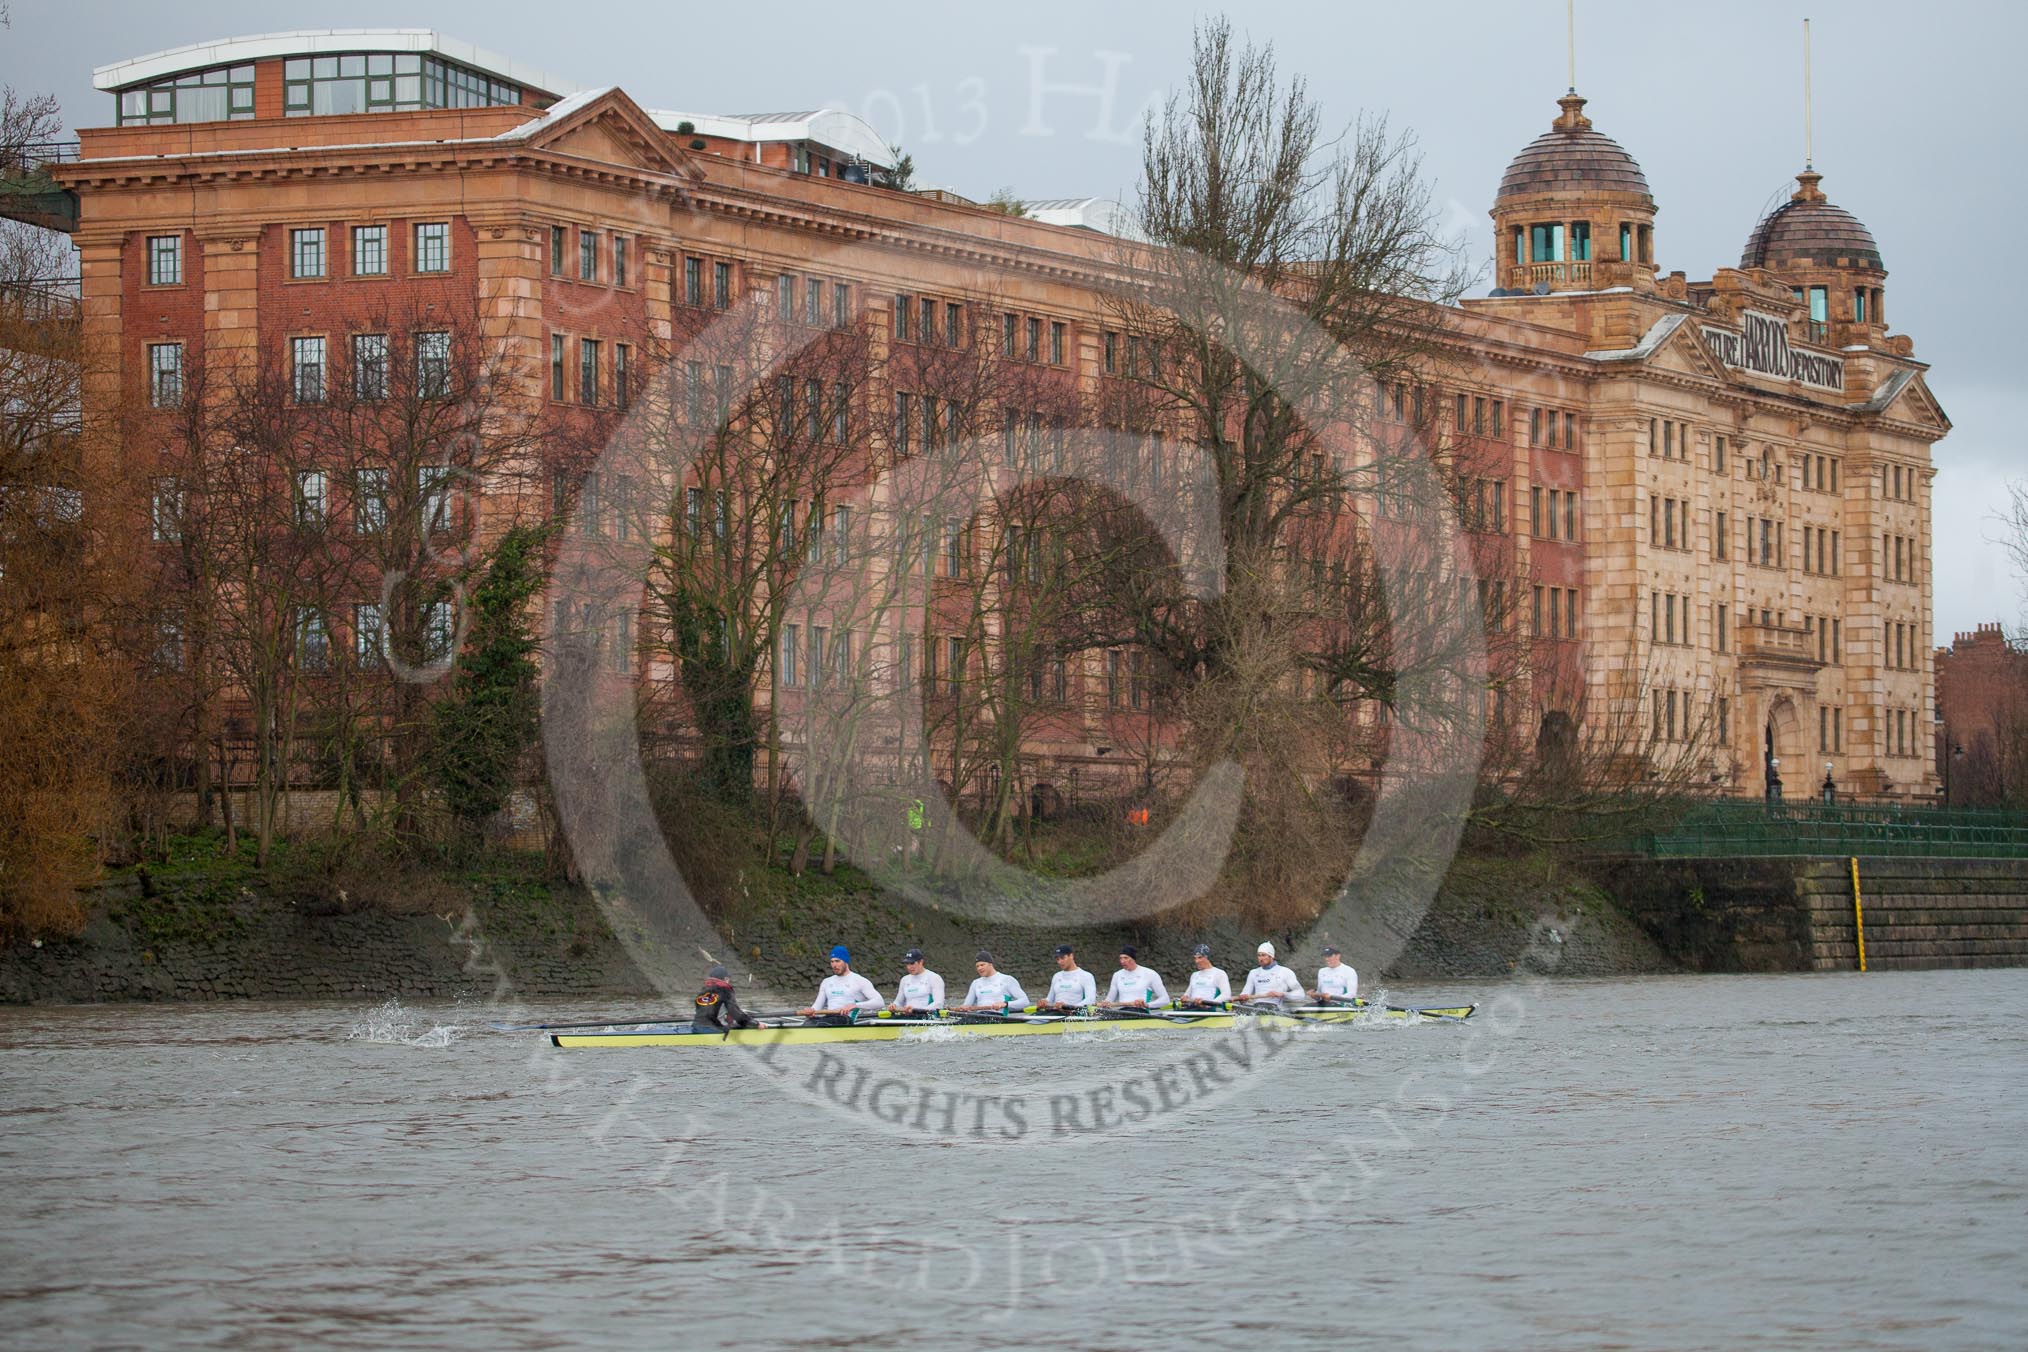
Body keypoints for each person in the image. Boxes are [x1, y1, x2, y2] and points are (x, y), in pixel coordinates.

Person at [797, 945, 884, 1024]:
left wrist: (855, 1005)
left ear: (846, 961)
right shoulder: (826, 982)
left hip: (846, 1019)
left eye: (837, 961)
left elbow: (879, 1002)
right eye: (832, 962)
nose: (834, 965)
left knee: (821, 1024)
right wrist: (810, 1011)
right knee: (808, 1022)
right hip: (829, 1018)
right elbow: (817, 1007)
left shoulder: (860, 981)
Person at [952, 951, 1029, 1016]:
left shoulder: (1007, 979)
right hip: (980, 1016)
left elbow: (1025, 1002)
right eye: (977, 966)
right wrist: (963, 1008)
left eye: (982, 965)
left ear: (990, 964)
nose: (979, 968)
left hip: (999, 1017)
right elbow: (967, 1005)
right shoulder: (975, 983)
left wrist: (1005, 1004)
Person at [1234, 941, 1304, 1008]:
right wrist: (1243, 998)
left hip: (1276, 1008)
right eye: (1259, 955)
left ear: (1271, 956)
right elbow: (1245, 993)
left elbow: (1300, 994)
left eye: (1264, 955)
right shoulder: (1253, 973)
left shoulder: (1285, 972)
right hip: (1257, 1007)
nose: (1261, 958)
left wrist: (1282, 994)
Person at [691, 964, 759, 1033]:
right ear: (726, 979)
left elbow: (709, 1012)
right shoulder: (725, 990)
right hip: (713, 1030)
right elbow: (735, 1013)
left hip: (696, 1028)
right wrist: (755, 1024)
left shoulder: (703, 991)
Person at [1099, 945, 1169, 1009]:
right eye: (1120, 958)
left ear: (1133, 959)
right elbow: (1110, 999)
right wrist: (1105, 1003)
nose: (1122, 961)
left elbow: (1165, 999)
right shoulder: (1117, 975)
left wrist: (1147, 1005)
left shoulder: (1150, 974)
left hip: (1141, 1012)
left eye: (1126, 958)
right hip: (1122, 1011)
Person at [1037, 944, 1098, 1013]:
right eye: (1057, 959)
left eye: (1062, 958)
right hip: (1056, 1012)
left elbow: (1090, 1000)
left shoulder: (1086, 976)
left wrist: (1069, 1007)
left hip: (1074, 1014)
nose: (1059, 962)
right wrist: (1044, 1001)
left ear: (1071, 956)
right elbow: (1050, 999)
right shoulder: (1056, 976)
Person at [889, 948, 946, 1016]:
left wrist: (917, 1011)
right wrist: (894, 1005)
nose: (909, 967)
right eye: (907, 964)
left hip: (927, 1017)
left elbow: (939, 1004)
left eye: (912, 963)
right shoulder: (904, 980)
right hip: (908, 1016)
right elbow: (898, 1002)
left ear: (921, 962)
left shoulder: (934, 978)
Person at [1178, 944, 1231, 1009]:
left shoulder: (1220, 973)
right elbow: (1187, 994)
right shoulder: (1194, 975)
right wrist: (1185, 997)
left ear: (1207, 958)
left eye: (1200, 957)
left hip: (1209, 1011)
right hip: (1192, 1008)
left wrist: (1207, 1004)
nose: (1196, 961)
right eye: (1195, 958)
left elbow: (1226, 995)